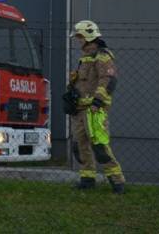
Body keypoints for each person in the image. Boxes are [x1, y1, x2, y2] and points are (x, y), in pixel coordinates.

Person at [69, 20, 125, 194]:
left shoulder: (102, 56)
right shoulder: (85, 57)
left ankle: (117, 182)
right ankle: (87, 180)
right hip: (80, 109)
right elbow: (83, 82)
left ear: (87, 37)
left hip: (95, 109)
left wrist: (97, 102)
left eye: (79, 37)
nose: (78, 41)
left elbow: (108, 80)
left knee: (100, 147)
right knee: (80, 146)